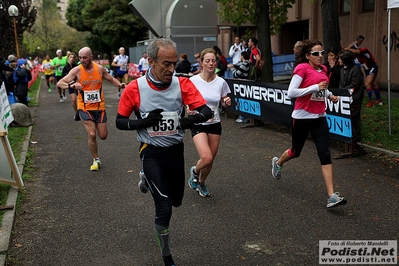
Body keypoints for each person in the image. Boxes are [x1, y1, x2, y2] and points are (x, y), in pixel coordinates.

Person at [115, 38, 212, 266]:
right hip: (151, 152)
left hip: (175, 151)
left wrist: (192, 120)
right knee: (165, 205)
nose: (171, 69)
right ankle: (167, 258)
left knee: (177, 200)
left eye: (174, 63)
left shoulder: (182, 84)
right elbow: (120, 122)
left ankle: (146, 181)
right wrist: (143, 123)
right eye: (166, 64)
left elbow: (206, 110)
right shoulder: (134, 87)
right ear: (150, 61)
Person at [270, 39, 347, 209]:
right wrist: (314, 87)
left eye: (322, 53)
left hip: (319, 117)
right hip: (302, 117)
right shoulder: (301, 69)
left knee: (325, 154)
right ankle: (278, 163)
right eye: (316, 54)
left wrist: (329, 95)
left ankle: (331, 196)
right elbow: (291, 93)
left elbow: (323, 88)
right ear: (307, 56)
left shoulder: (324, 69)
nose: (320, 56)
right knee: (295, 152)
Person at [57, 47, 125, 171]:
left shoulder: (99, 69)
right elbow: (60, 83)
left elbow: (110, 78)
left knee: (103, 135)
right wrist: (71, 85)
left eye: (85, 57)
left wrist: (119, 85)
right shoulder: (76, 70)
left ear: (91, 57)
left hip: (100, 107)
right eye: (80, 57)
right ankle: (96, 159)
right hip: (84, 107)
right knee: (92, 134)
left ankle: (94, 146)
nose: (82, 60)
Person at [188, 48, 232, 197]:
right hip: (198, 123)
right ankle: (194, 172)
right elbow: (186, 99)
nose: (211, 63)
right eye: (207, 60)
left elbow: (224, 101)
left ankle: (201, 183)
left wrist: (226, 103)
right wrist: (188, 108)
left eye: (213, 60)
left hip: (214, 123)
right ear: (201, 62)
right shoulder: (193, 81)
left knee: (210, 161)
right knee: (206, 157)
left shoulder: (221, 82)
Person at [338, 50, 366, 154]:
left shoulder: (355, 70)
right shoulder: (342, 70)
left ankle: (356, 139)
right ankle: (349, 137)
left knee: (355, 117)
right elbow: (341, 82)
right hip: (345, 96)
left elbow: (354, 84)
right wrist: (342, 91)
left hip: (355, 98)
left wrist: (345, 91)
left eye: (341, 59)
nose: (339, 61)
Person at [346, 37, 381, 107]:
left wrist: (347, 48)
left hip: (372, 67)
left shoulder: (363, 50)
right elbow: (349, 52)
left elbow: (354, 51)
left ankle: (371, 102)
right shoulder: (357, 55)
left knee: (367, 83)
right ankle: (379, 100)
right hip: (367, 69)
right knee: (373, 84)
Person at [227, 51, 251, 123]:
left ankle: (243, 116)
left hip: (243, 84)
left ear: (242, 56)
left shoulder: (244, 64)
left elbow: (238, 74)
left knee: (242, 100)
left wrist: (232, 69)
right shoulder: (246, 63)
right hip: (244, 84)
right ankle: (244, 116)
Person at [61, 52, 79, 121]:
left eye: (73, 58)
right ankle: (76, 113)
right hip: (70, 85)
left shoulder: (77, 66)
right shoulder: (66, 67)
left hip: (77, 84)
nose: (72, 59)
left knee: (78, 99)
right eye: (70, 57)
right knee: (73, 99)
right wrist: (68, 82)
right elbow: (63, 76)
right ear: (68, 58)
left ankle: (80, 112)